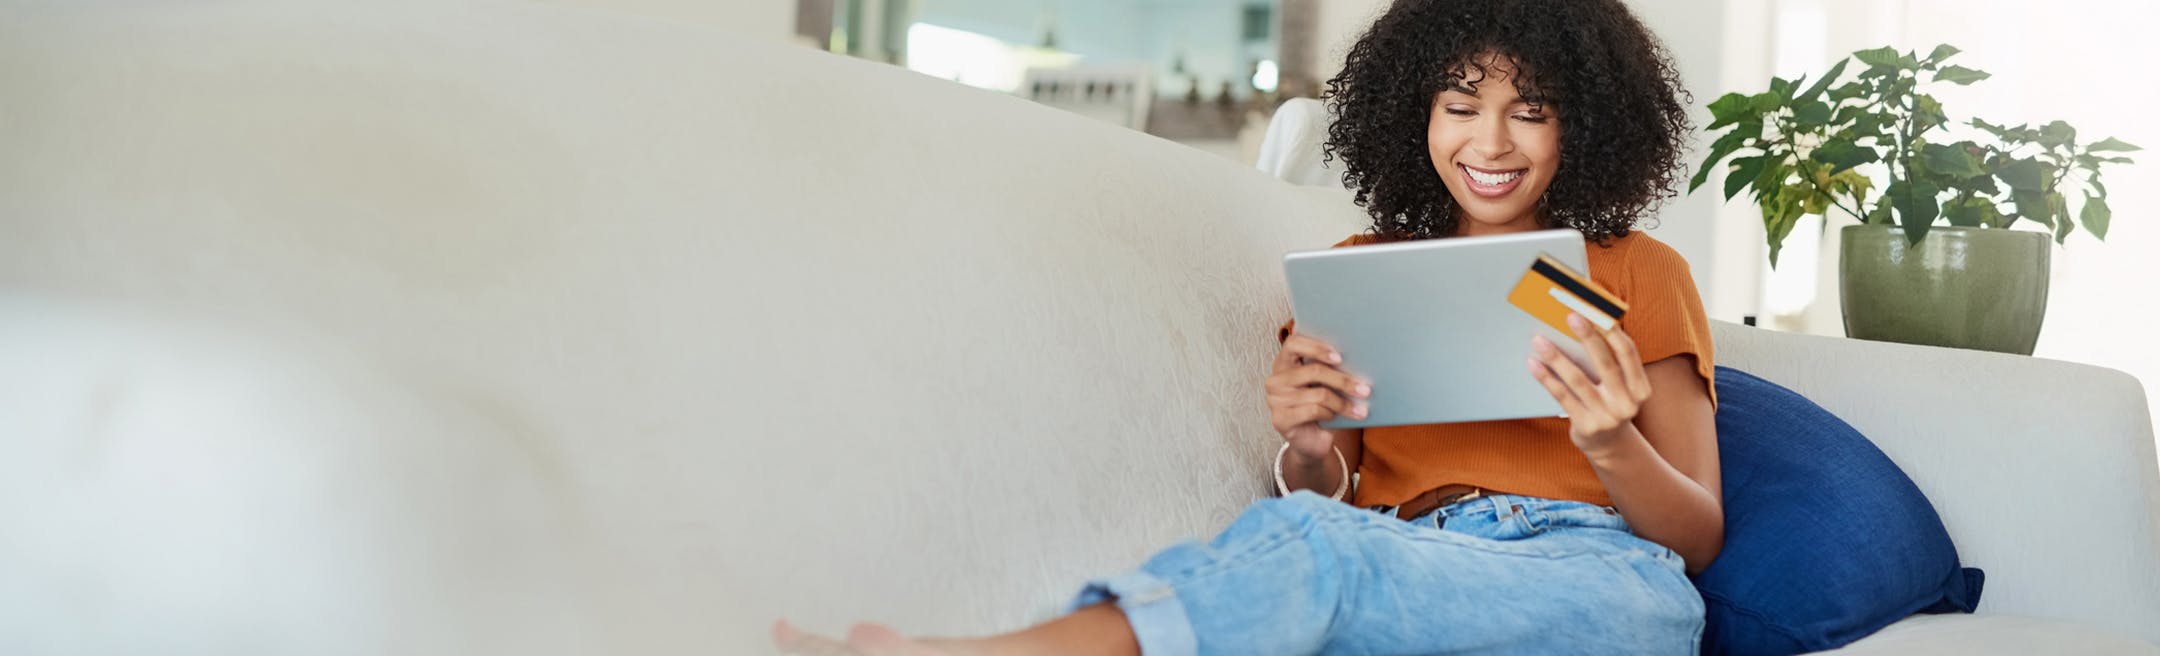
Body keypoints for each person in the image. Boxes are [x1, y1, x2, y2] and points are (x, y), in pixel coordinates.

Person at [775, 0, 1716, 653]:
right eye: (1460, 108)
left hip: (1596, 578)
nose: (1491, 143)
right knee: (1319, 545)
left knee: (1318, 557)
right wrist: (1307, 443)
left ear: (1583, 127)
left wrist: (1611, 444)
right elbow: (1332, 493)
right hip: (1402, 552)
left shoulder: (1636, 271)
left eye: (1531, 115)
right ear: (1416, 115)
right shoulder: (1356, 271)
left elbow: (1698, 540)